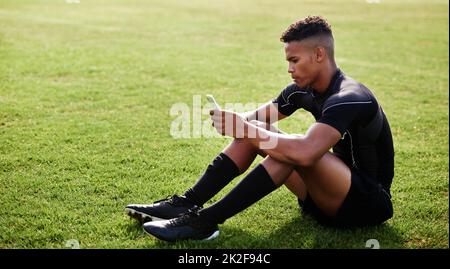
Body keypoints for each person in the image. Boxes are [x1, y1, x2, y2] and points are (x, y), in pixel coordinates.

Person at [125, 15, 394, 242]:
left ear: (319, 54)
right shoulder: (302, 91)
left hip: (367, 203)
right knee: (260, 131)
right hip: (321, 199)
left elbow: (306, 153)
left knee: (290, 149)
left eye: (295, 60)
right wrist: (232, 121)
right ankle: (186, 203)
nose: (289, 69)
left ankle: (203, 222)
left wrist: (248, 129)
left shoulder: (350, 96)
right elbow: (252, 121)